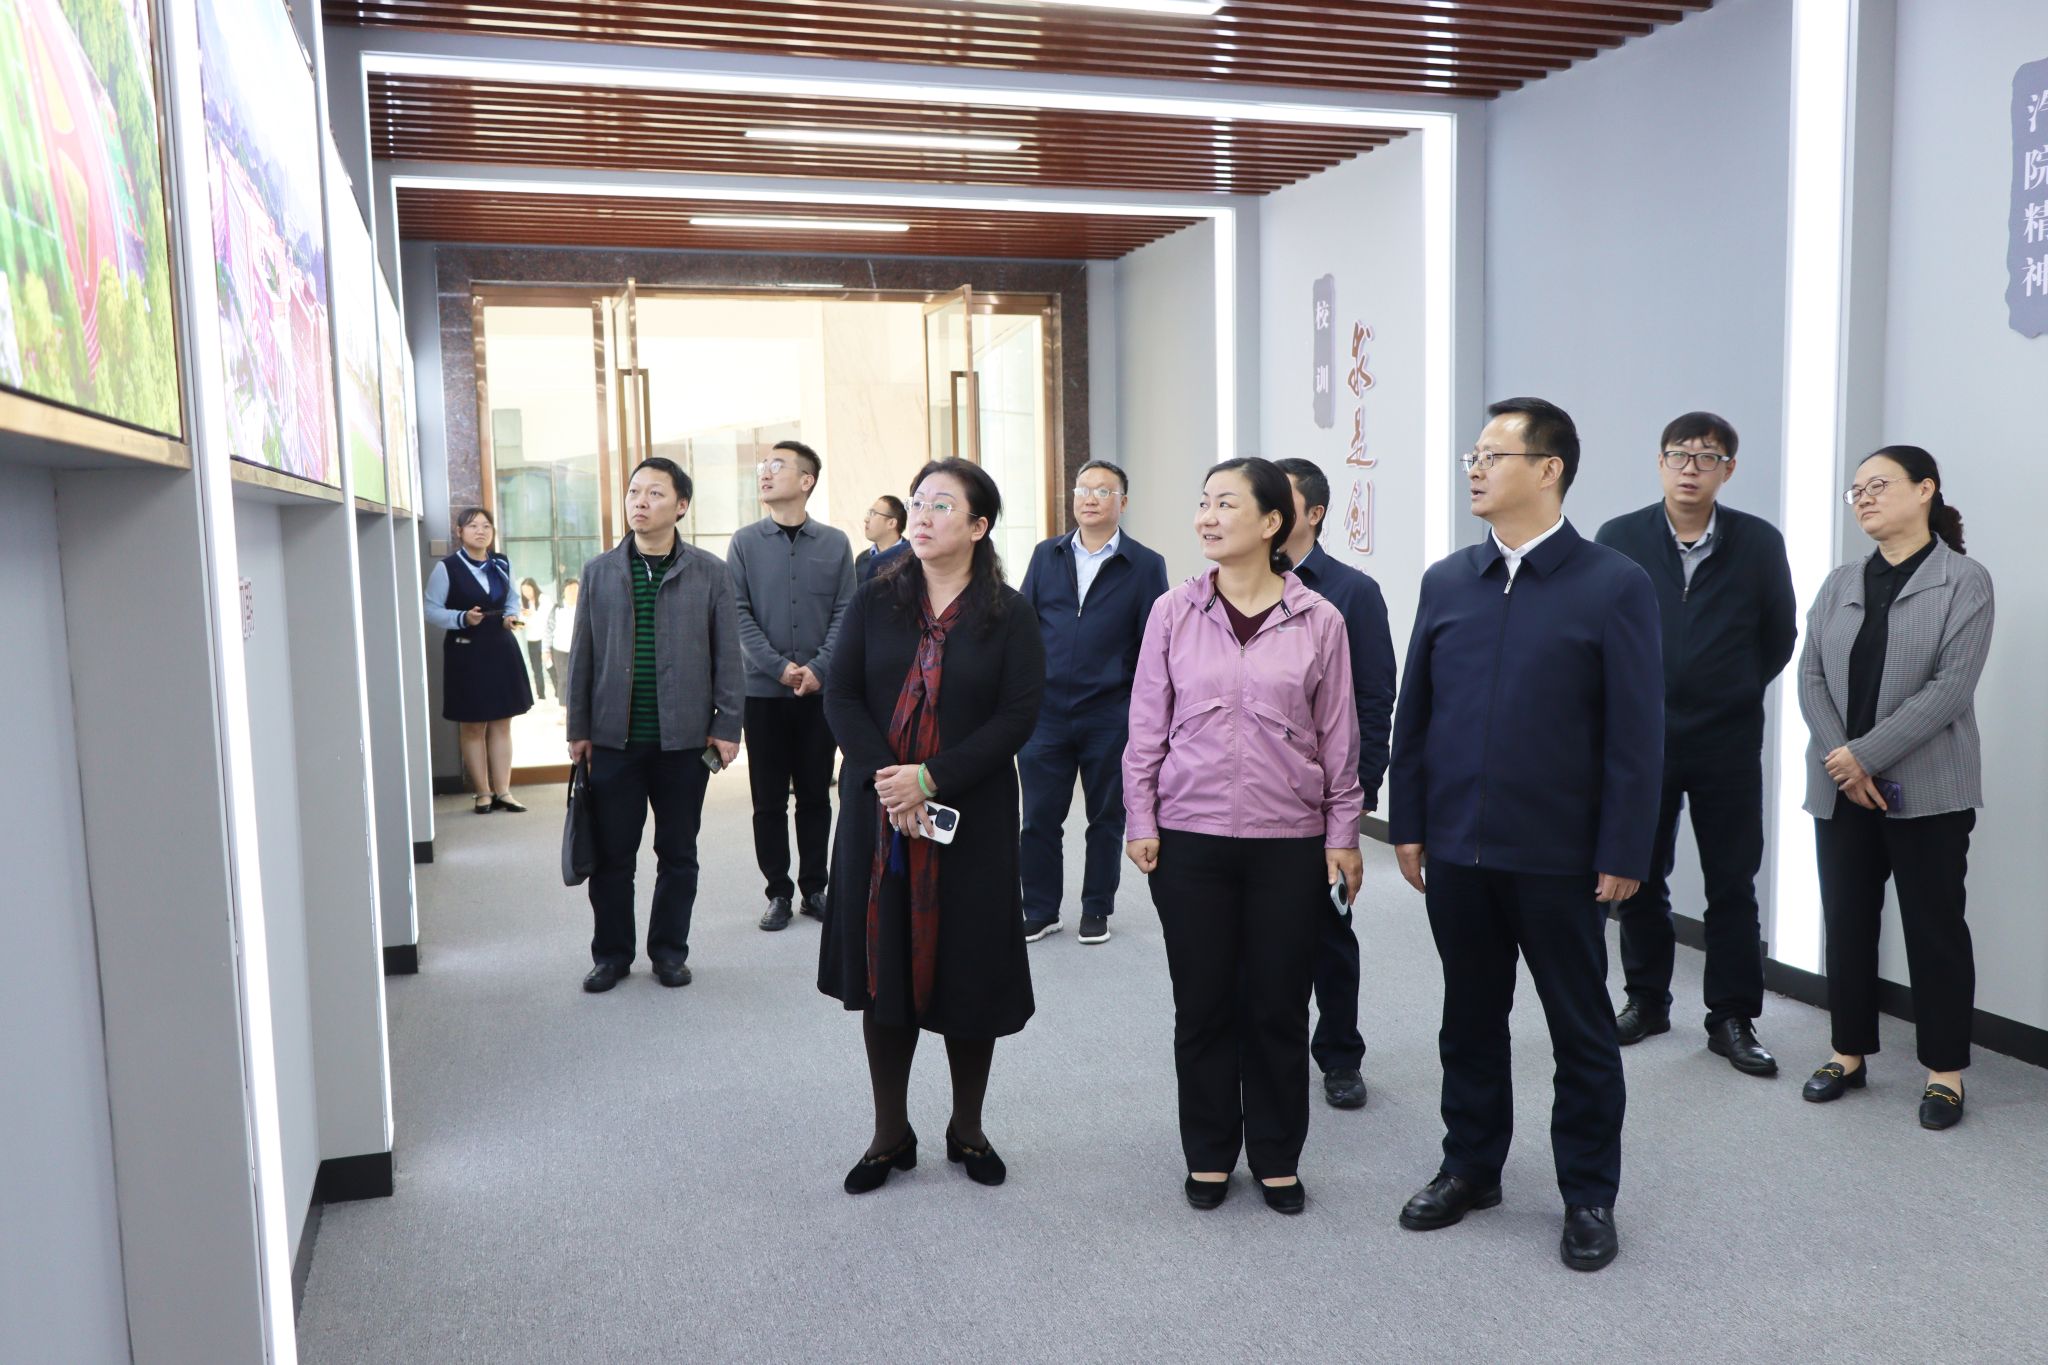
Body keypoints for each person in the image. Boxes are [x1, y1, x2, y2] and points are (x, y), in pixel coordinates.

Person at [1388, 398, 1661, 1272]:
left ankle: (1588, 1193)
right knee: (1468, 1019)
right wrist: (1409, 820)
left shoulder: (1613, 582)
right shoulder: (1448, 579)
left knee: (1580, 1029)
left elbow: (1636, 732)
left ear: (1549, 469)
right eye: (1472, 455)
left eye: (1492, 455)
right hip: (1457, 850)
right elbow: (1415, 713)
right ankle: (1471, 1166)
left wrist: (1624, 848)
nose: (1474, 468)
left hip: (1560, 856)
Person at [1124, 457, 1363, 1217]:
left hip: (1287, 839)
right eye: (1203, 502)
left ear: (1271, 522)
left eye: (1225, 503)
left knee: (1278, 1003)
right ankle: (1208, 1150)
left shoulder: (1320, 619)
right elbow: (1145, 725)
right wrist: (1140, 816)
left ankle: (1276, 1154)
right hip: (1188, 837)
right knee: (1202, 1003)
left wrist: (1344, 832)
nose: (1206, 516)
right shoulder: (1173, 611)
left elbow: (1339, 737)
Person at [818, 458, 1046, 1195]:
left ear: (979, 526)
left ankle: (967, 1128)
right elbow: (841, 696)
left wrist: (932, 778)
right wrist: (894, 779)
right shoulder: (874, 599)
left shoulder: (1009, 614)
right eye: (918, 502)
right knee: (884, 966)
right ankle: (890, 1133)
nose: (921, 515)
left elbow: (1018, 716)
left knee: (968, 967)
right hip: (880, 810)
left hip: (970, 813)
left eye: (941, 505)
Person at [1796, 446, 1993, 1130]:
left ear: (1925, 489)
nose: (1865, 499)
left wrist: (1864, 757)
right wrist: (1842, 762)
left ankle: (1944, 1072)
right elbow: (1810, 675)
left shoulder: (1964, 580)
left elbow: (1951, 687)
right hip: (1839, 790)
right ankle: (1847, 1053)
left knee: (1935, 930)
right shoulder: (1840, 581)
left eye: (1878, 485)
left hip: (1929, 789)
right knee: (1847, 920)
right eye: (1856, 491)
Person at [1595, 413, 1796, 1076]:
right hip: (1640, 739)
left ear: (1727, 470)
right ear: (1660, 462)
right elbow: (1598, 630)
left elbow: (1779, 635)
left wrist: (1729, 687)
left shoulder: (1758, 542)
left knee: (1732, 881)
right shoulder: (1620, 538)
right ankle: (1647, 1000)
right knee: (1638, 875)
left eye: (1706, 457)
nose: (1690, 468)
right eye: (1679, 455)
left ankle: (1731, 1017)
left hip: (1726, 740)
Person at [566, 457, 744, 994]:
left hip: (684, 741)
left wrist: (728, 726)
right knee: (613, 856)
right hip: (612, 740)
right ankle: (611, 955)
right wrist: (578, 728)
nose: (640, 502)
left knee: (678, 853)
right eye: (634, 492)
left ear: (681, 506)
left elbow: (728, 658)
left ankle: (669, 952)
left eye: (655, 493)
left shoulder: (710, 572)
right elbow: (582, 657)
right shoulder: (599, 572)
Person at [1272, 458, 1396, 1112]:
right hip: (1256, 797)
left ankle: (1341, 1054)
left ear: (1314, 513)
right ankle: (1273, 1049)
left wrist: (1361, 790)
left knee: (1329, 932)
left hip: (1325, 800)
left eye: (1281, 497)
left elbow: (1374, 699)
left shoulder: (1353, 592)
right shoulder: (1238, 585)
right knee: (1261, 937)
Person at [1016, 459, 1169, 946]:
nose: (1089, 498)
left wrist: (1139, 710)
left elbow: (1154, 644)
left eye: (1103, 491)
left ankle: (1096, 907)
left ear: (1123, 502)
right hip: (1045, 712)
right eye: (1083, 489)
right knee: (1038, 817)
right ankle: (1040, 909)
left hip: (1109, 713)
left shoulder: (1145, 564)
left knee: (1106, 817)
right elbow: (1023, 625)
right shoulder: (1047, 554)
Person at [728, 439, 858, 932]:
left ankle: (814, 888)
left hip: (819, 694)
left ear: (806, 481)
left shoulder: (835, 543)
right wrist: (779, 669)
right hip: (762, 694)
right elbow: (738, 614)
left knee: (816, 796)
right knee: (767, 800)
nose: (765, 472)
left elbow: (846, 611)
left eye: (777, 465)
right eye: (763, 465)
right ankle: (778, 892)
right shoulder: (744, 542)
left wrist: (819, 668)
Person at [425, 507, 533, 814]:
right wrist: (462, 617)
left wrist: (510, 617)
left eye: (486, 526)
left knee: (502, 721)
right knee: (473, 724)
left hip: (500, 646)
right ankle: (483, 793)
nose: (481, 531)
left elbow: (512, 599)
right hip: (466, 651)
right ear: (460, 532)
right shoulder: (446, 568)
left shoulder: (501, 563)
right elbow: (430, 609)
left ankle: (504, 791)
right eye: (473, 526)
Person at [858, 494, 910, 582]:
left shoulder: (914, 558)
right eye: (869, 513)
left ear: (891, 523)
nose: (866, 519)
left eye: (873, 514)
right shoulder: (861, 559)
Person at [545, 578, 579, 703]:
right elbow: (548, 630)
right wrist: (545, 650)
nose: (573, 592)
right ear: (564, 591)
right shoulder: (557, 609)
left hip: (579, 649)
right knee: (563, 679)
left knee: (579, 678)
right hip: (560, 649)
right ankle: (564, 707)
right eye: (569, 589)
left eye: (575, 589)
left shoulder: (583, 608)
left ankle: (577, 705)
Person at [518, 577, 549, 701]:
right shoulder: (524, 604)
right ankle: (541, 695)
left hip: (544, 638)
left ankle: (559, 694)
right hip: (531, 640)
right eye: (524, 591)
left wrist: (532, 614)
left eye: (528, 590)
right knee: (536, 669)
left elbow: (546, 619)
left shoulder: (543, 599)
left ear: (534, 588)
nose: (526, 593)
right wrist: (513, 623)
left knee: (550, 666)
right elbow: (521, 624)